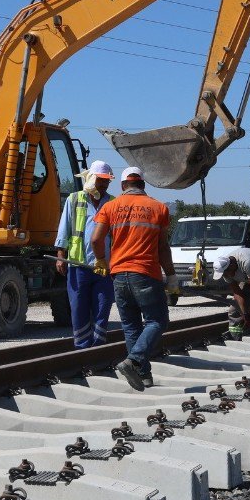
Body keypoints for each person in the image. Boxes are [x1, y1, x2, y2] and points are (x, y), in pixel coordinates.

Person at [91, 166, 178, 391]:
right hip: (145, 273)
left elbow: (95, 239)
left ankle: (143, 375)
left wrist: (101, 260)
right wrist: (171, 275)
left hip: (119, 274)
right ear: (143, 185)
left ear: (123, 186)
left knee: (131, 327)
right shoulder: (159, 208)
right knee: (157, 321)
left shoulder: (110, 207)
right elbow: (162, 247)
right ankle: (134, 360)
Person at [54, 160, 115, 349]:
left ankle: (97, 346)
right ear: (91, 179)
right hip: (78, 264)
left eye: (107, 181)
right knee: (79, 308)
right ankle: (82, 347)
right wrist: (60, 254)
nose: (104, 185)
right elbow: (65, 227)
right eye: (101, 180)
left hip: (104, 266)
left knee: (102, 307)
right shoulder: (75, 199)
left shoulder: (112, 202)